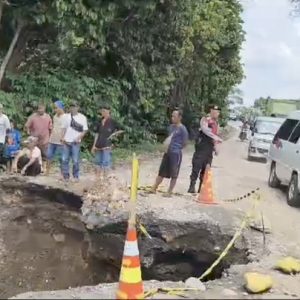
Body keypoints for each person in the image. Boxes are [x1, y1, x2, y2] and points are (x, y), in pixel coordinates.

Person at [150, 108, 189, 197]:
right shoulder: (171, 127)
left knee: (174, 173)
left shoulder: (183, 129)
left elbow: (185, 142)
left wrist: (177, 148)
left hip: (176, 153)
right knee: (162, 171)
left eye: (174, 116)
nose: (172, 118)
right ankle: (154, 188)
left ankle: (169, 191)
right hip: (167, 152)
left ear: (179, 117)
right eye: (172, 116)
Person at [187, 105, 223, 194]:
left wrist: (216, 148)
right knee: (196, 168)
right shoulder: (205, 120)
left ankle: (201, 189)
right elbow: (206, 131)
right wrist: (216, 137)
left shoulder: (216, 124)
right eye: (214, 111)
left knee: (206, 170)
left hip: (209, 150)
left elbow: (216, 136)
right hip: (201, 147)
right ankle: (192, 187)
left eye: (217, 112)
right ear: (210, 111)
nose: (215, 113)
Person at [91, 104, 124, 178]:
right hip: (98, 145)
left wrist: (113, 135)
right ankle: (97, 180)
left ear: (109, 111)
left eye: (104, 111)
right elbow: (97, 134)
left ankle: (105, 180)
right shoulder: (99, 121)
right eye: (102, 111)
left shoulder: (112, 121)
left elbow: (121, 130)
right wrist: (93, 146)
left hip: (107, 145)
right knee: (97, 163)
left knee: (106, 163)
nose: (103, 112)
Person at [61, 101, 88, 182]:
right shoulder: (66, 117)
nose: (73, 108)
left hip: (76, 142)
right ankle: (66, 176)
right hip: (66, 141)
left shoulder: (82, 117)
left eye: (75, 107)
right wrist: (62, 137)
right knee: (64, 159)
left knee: (75, 160)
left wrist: (78, 138)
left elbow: (85, 130)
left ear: (78, 108)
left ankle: (76, 176)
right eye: (72, 107)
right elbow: (63, 128)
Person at [25, 103, 52, 173]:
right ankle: (35, 168)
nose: (40, 110)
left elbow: (50, 128)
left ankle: (44, 168)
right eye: (39, 109)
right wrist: (29, 133)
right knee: (34, 154)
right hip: (34, 140)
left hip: (45, 139)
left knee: (45, 155)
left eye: (41, 109)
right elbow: (27, 126)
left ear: (44, 109)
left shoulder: (48, 117)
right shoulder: (33, 116)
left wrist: (50, 137)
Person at [47, 100, 65, 175]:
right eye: (54, 108)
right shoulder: (55, 116)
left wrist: (63, 138)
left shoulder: (65, 117)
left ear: (61, 108)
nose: (55, 110)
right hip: (52, 139)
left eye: (56, 108)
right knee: (49, 155)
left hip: (60, 141)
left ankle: (62, 173)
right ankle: (47, 171)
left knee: (61, 158)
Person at [0, 104, 11, 169]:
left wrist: (7, 139)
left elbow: (8, 129)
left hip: (1, 139)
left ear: (1, 109)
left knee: (4, 155)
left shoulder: (5, 118)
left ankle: (5, 168)